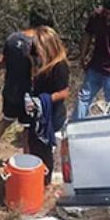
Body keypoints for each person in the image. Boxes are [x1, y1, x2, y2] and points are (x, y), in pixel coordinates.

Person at [0, 9, 53, 165]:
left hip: (10, 88)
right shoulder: (36, 44)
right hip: (27, 93)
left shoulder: (12, 37)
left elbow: (0, 59)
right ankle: (26, 161)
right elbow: (37, 69)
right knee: (27, 129)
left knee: (5, 120)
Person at [25, 26, 70, 188]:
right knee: (33, 143)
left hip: (51, 114)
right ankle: (35, 179)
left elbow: (64, 92)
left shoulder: (59, 67)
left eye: (37, 48)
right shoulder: (41, 61)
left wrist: (44, 100)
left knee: (43, 148)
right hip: (39, 111)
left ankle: (44, 183)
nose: (35, 51)